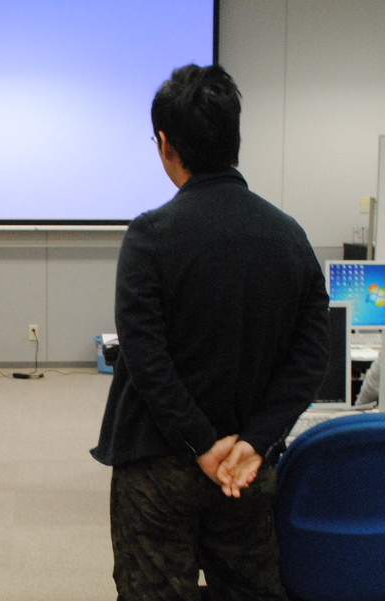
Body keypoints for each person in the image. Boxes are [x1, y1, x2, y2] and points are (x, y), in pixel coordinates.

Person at [90, 64, 330, 601]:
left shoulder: (150, 235)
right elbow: (312, 356)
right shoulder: (290, 237)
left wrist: (202, 443)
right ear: (234, 139)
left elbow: (145, 356)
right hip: (246, 468)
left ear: (164, 144)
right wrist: (255, 441)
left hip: (157, 466)